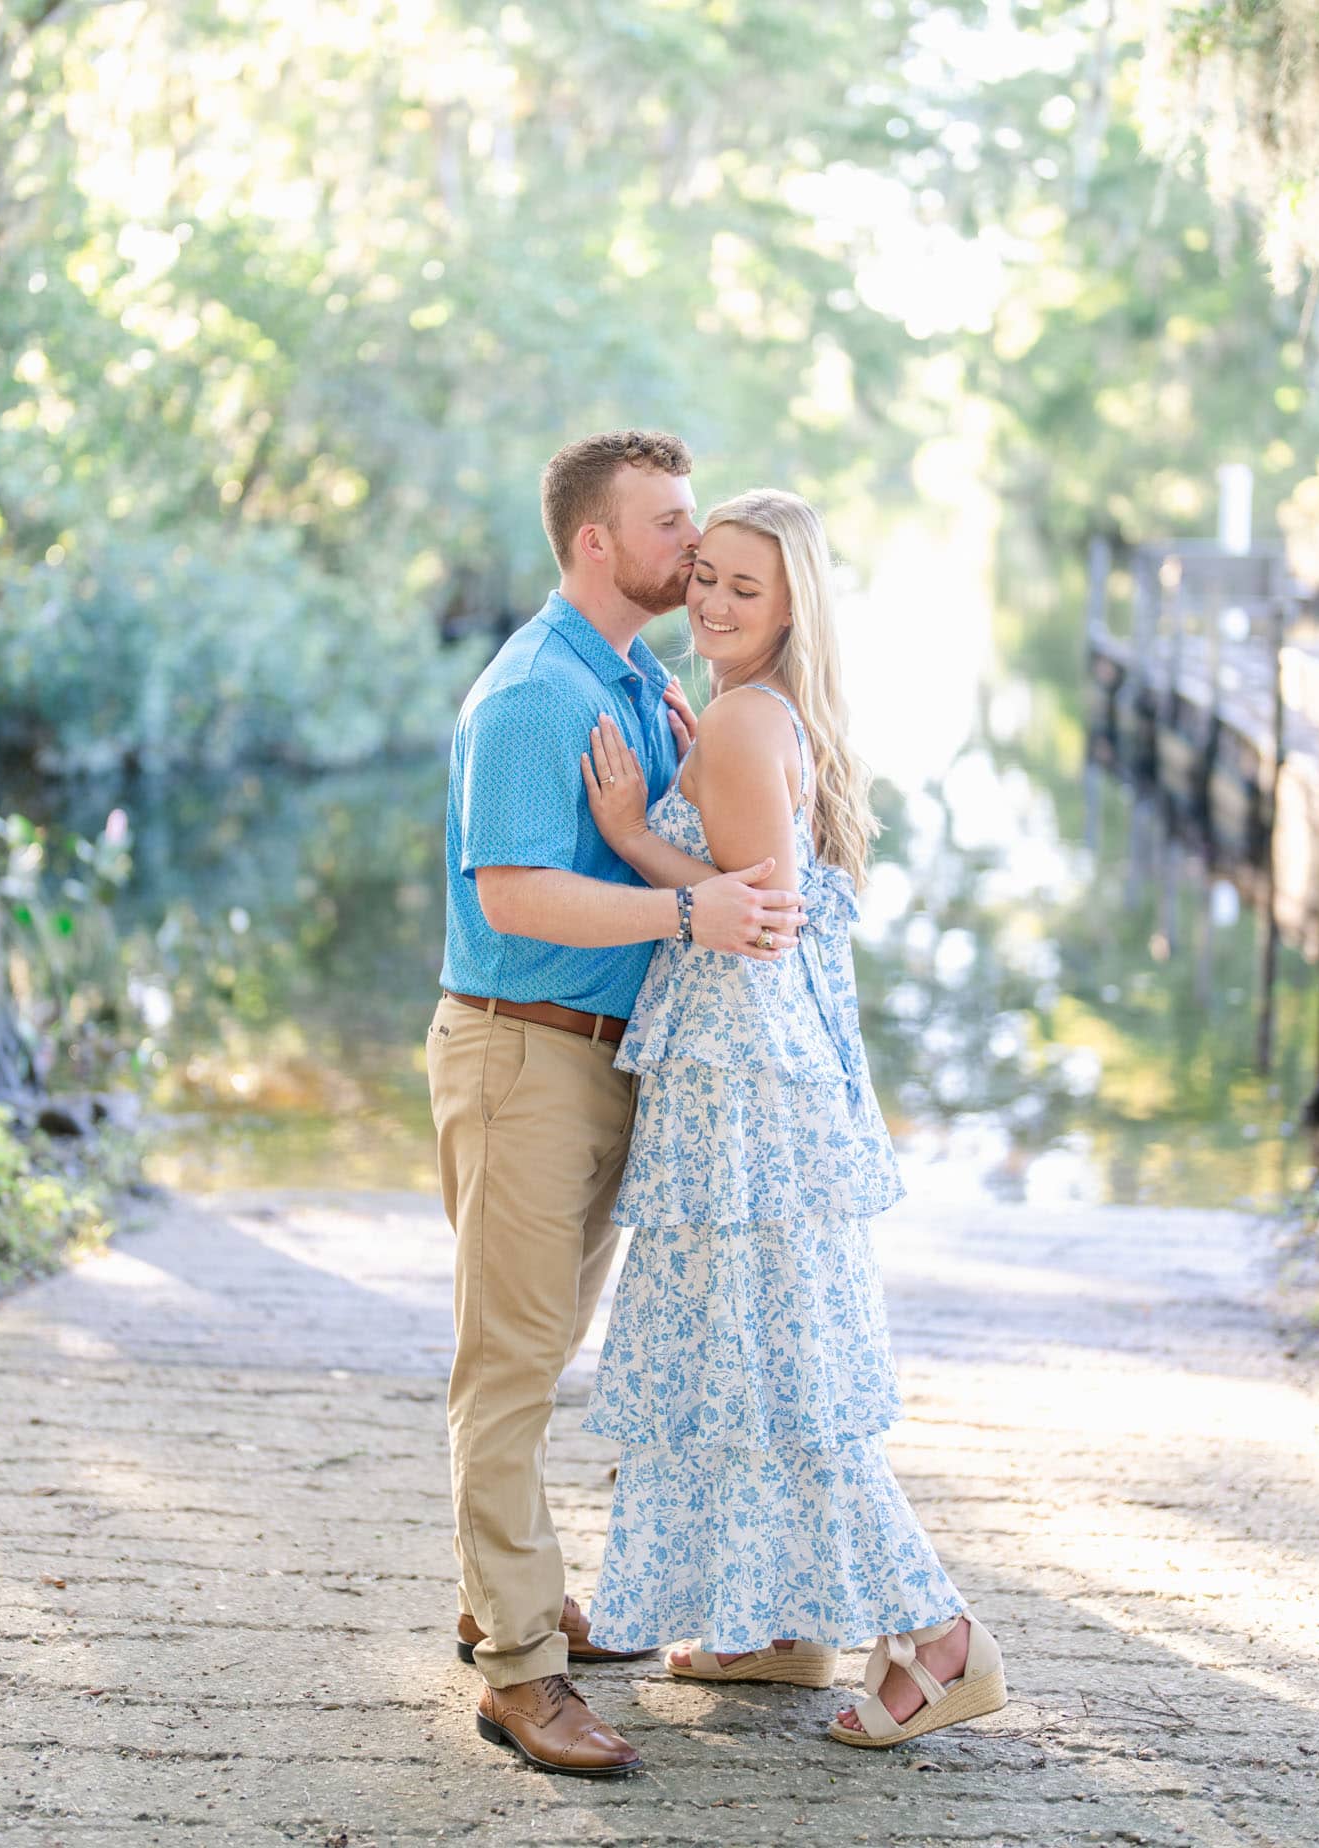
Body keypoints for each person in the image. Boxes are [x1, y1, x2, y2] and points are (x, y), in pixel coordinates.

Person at [578, 488, 1007, 1749]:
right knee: (737, 1355)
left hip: (748, 1099)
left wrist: (625, 834)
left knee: (775, 1368)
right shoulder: (742, 713)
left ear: (792, 605)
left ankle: (940, 1637)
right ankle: (779, 1623)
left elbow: (759, 917)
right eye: (702, 573)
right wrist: (691, 755)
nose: (708, 599)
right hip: (743, 1083)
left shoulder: (749, 721)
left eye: (741, 589)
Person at [426, 431, 809, 1778]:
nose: (690, 554)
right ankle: (518, 1677)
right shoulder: (535, 694)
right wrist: (683, 908)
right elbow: (512, 895)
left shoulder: (639, 681)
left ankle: (505, 1599)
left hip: (600, 1057)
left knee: (541, 1349)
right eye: (669, 528)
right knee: (510, 1366)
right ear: (596, 542)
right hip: (521, 1055)